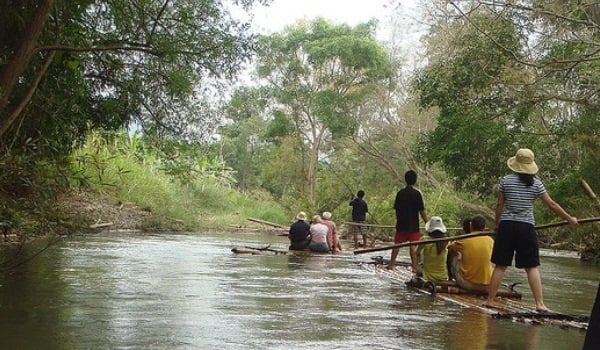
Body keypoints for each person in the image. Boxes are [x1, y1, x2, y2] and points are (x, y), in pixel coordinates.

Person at [485, 148, 578, 312]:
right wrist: (569, 218)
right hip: (525, 227)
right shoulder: (536, 184)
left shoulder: (506, 181)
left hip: (507, 225)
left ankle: (490, 300)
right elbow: (552, 205)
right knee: (532, 267)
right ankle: (540, 304)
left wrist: (497, 224)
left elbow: (499, 205)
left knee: (500, 265)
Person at [388, 170, 428, 271]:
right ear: (415, 181)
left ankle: (392, 264)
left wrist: (398, 221)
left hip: (401, 224)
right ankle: (414, 268)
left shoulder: (400, 193)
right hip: (413, 225)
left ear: (405, 180)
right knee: (413, 247)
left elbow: (397, 210)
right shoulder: (417, 194)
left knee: (397, 245)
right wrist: (428, 223)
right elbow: (421, 211)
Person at [448, 215, 494, 292]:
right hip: (488, 284)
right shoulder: (490, 240)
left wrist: (458, 255)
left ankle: (450, 278)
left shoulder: (464, 241)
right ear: (484, 227)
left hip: (468, 284)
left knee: (452, 253)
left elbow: (449, 247)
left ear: (470, 226)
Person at [415, 216, 449, 282]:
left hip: (426, 276)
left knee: (419, 265)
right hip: (442, 276)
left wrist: (419, 261)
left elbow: (416, 253)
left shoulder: (424, 239)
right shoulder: (446, 241)